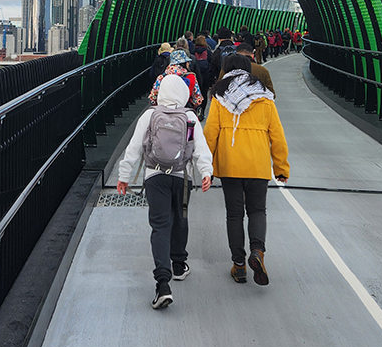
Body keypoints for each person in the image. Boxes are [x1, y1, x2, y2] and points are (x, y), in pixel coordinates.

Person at [118, 75, 213, 309]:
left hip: (155, 175)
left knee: (160, 226)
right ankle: (179, 265)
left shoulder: (150, 115)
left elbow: (134, 147)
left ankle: (162, 283)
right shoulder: (190, 117)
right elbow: (198, 147)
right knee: (180, 218)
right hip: (181, 177)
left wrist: (124, 176)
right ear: (183, 94)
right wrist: (206, 172)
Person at [203, 53, 289, 286]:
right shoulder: (265, 98)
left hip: (230, 165)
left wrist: (205, 167)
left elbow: (210, 134)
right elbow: (277, 136)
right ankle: (258, 252)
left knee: (234, 214)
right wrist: (281, 167)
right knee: (258, 211)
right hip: (258, 165)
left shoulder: (220, 96)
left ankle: (239, 265)